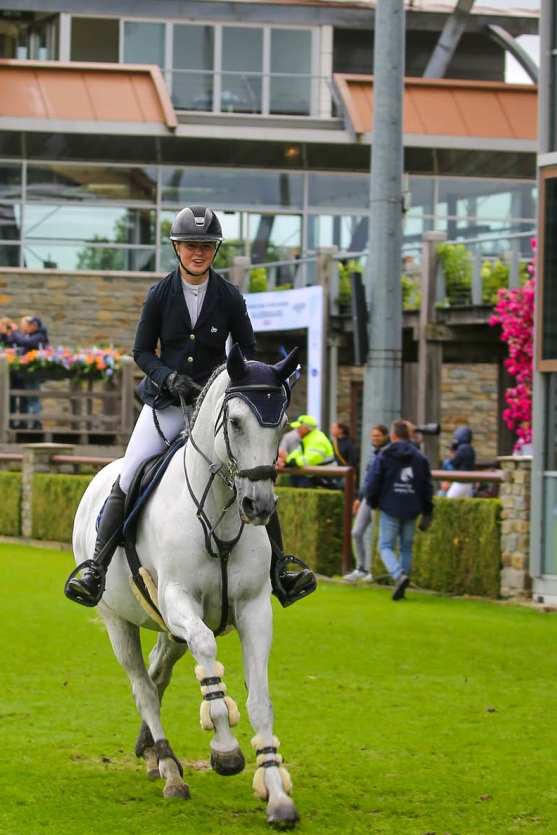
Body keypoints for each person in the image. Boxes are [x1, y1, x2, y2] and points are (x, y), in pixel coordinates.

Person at [65, 205, 316, 609]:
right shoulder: (160, 294)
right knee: (128, 475)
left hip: (215, 406)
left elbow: (247, 349)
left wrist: (240, 379)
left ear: (214, 250)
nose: (198, 252)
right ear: (177, 249)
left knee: (252, 473)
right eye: (190, 245)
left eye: (206, 245)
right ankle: (96, 566)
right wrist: (166, 377)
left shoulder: (230, 296)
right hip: (167, 404)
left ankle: (280, 568)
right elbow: (142, 350)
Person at [365, 419, 434, 601]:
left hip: (390, 505)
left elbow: (374, 480)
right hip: (412, 506)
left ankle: (398, 575)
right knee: (406, 548)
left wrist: (373, 502)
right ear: (409, 435)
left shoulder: (385, 455)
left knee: (385, 546)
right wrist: (427, 510)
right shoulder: (419, 457)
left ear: (393, 436)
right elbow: (427, 485)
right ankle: (403, 581)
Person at [344, 423, 390, 583]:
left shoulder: (387, 453)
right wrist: (359, 498)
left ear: (385, 436)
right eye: (373, 436)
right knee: (356, 532)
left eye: (378, 436)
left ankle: (372, 570)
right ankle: (361, 567)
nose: (375, 439)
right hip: (367, 498)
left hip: (379, 499)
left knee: (376, 536)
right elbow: (368, 479)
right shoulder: (373, 452)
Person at [277, 414, 337, 488]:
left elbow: (310, 460)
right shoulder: (307, 439)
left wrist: (289, 460)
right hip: (317, 477)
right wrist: (286, 461)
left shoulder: (317, 439)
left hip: (326, 479)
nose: (297, 430)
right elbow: (297, 453)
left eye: (299, 427)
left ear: (306, 428)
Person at [440, 425, 476, 499]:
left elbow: (453, 463)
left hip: (461, 481)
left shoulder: (463, 448)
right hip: (467, 481)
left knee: (449, 500)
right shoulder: (469, 448)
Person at [330, 421, 359, 485]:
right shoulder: (334, 442)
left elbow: (352, 462)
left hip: (345, 476)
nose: (331, 429)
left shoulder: (349, 444)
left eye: (334, 427)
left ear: (341, 430)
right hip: (335, 475)